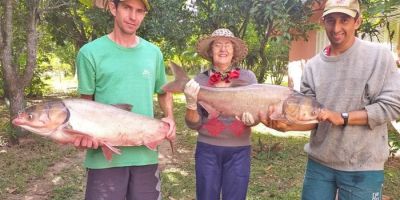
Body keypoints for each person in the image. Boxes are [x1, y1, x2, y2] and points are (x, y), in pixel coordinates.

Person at [260, 0, 400, 199]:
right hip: (320, 164)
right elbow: (312, 118)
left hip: (363, 166)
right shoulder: (313, 66)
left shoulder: (379, 57)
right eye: (331, 20)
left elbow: (392, 106)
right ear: (322, 22)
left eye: (344, 20)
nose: (336, 28)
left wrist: (342, 117)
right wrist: (288, 126)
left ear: (357, 21)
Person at [74, 0, 176, 199]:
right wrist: (83, 137)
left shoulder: (153, 53)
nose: (133, 16)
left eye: (139, 11)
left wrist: (170, 116)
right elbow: (85, 107)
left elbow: (164, 91)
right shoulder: (89, 53)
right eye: (127, 8)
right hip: (104, 159)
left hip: (145, 156)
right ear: (113, 8)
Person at [183, 28, 257, 200]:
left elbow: (258, 113)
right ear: (210, 51)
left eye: (227, 45)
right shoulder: (199, 81)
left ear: (234, 51)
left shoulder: (248, 78)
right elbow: (193, 124)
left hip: (239, 150)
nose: (223, 49)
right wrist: (191, 105)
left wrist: (253, 120)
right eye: (217, 45)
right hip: (207, 150)